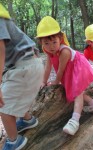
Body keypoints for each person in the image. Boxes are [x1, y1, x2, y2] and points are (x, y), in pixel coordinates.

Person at [36, 16, 93, 136]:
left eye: (54, 42)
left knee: (77, 93)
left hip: (78, 69)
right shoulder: (48, 51)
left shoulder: (64, 51)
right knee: (76, 91)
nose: (51, 46)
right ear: (41, 42)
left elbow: (60, 71)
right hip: (69, 71)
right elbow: (48, 66)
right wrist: (43, 81)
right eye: (46, 43)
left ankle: (75, 121)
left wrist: (56, 81)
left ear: (60, 38)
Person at [0, 4, 44, 150]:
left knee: (3, 107)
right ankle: (27, 120)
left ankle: (14, 142)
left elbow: (0, 51)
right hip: (27, 65)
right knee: (14, 97)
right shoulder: (5, 20)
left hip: (24, 68)